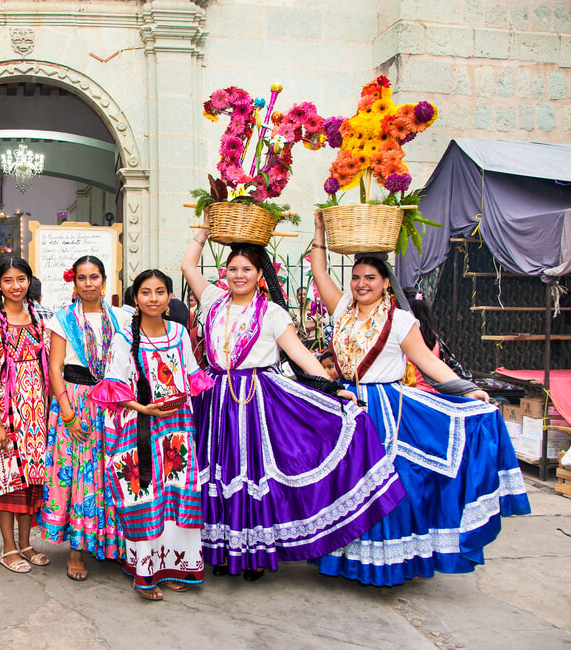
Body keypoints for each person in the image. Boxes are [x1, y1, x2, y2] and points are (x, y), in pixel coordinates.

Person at [309, 212, 531, 585]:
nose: (362, 284)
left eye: (370, 278)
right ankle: (344, 558)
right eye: (357, 277)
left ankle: (387, 562)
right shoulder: (343, 309)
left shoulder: (399, 321)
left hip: (385, 408)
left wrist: (467, 390)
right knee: (346, 481)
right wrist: (319, 231)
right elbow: (318, 273)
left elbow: (427, 362)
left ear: (385, 283)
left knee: (387, 481)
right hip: (345, 404)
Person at [181, 230, 404, 578]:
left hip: (255, 399)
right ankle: (221, 550)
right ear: (224, 273)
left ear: (259, 276)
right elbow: (187, 265)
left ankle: (252, 553)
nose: (239, 275)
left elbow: (300, 355)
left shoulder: (272, 313)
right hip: (215, 399)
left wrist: (332, 390)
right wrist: (205, 230)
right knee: (217, 472)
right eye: (233, 269)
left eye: (247, 270)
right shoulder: (212, 301)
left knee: (251, 474)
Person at [91, 269, 212, 600]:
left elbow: (189, 375)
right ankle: (145, 574)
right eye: (146, 292)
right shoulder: (124, 338)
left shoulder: (178, 332)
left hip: (177, 427)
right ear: (135, 298)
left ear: (169, 297)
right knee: (145, 498)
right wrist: (145, 409)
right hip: (140, 428)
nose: (154, 298)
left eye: (160, 292)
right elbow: (113, 388)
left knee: (176, 496)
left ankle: (175, 568)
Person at [41, 255, 130, 581]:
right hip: (75, 402)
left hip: (112, 404)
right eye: (82, 277)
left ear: (104, 281)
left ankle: (114, 544)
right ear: (74, 282)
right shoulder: (62, 319)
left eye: (94, 277)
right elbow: (55, 367)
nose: (89, 283)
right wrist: (67, 414)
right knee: (77, 476)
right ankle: (76, 551)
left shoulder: (121, 318)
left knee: (111, 475)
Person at [0, 257, 51, 574]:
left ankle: (26, 542)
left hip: (35, 412)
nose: (16, 286)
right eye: (8, 280)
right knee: (6, 482)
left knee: (31, 480)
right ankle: (7, 548)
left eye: (21, 279)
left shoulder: (40, 320)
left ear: (29, 281)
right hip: (3, 410)